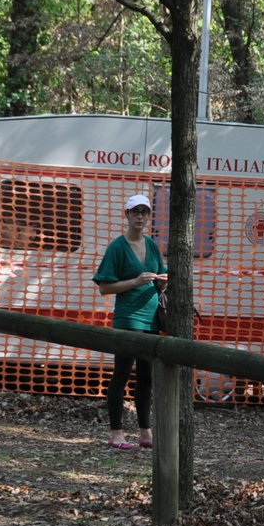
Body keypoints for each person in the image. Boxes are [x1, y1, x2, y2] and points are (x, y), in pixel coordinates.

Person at [91, 193, 166, 450]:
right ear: (127, 214)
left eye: (145, 212)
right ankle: (116, 433)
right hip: (128, 318)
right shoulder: (117, 247)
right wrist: (135, 282)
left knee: (146, 377)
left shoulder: (152, 245)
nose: (140, 216)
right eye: (136, 212)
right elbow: (104, 287)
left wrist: (163, 281)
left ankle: (146, 433)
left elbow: (162, 274)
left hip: (151, 319)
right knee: (121, 375)